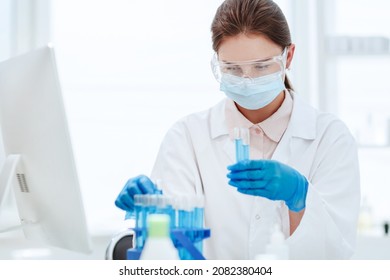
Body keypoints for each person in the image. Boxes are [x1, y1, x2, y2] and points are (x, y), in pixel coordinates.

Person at [115, 0, 360, 260]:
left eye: (262, 66)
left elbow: (335, 254)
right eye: (232, 69)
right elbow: (170, 252)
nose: (247, 80)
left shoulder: (330, 139)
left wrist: (300, 197)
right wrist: (152, 214)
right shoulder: (187, 138)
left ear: (288, 56)